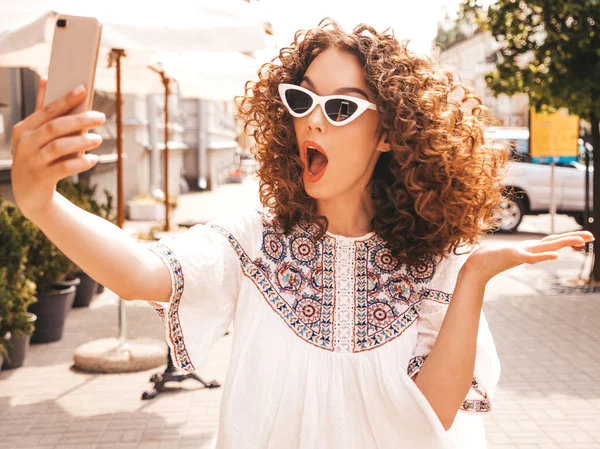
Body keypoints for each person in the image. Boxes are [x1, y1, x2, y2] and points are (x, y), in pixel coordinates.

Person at [11, 19, 592, 449]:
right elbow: (139, 274)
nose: (312, 118)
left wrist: (472, 279)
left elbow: (434, 413)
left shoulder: (435, 259)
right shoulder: (253, 242)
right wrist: (41, 201)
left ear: (389, 134)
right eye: (300, 98)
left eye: (340, 106)